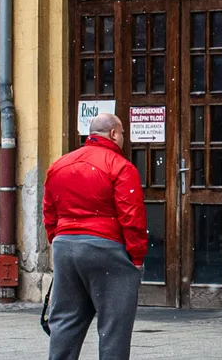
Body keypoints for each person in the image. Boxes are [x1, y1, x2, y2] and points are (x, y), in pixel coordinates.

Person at [43, 112, 148, 360]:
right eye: (122, 133)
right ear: (113, 133)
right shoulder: (121, 166)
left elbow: (49, 210)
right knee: (114, 326)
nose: (123, 138)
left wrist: (57, 241)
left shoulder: (59, 165)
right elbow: (132, 216)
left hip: (65, 246)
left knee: (65, 321)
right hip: (106, 248)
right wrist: (136, 256)